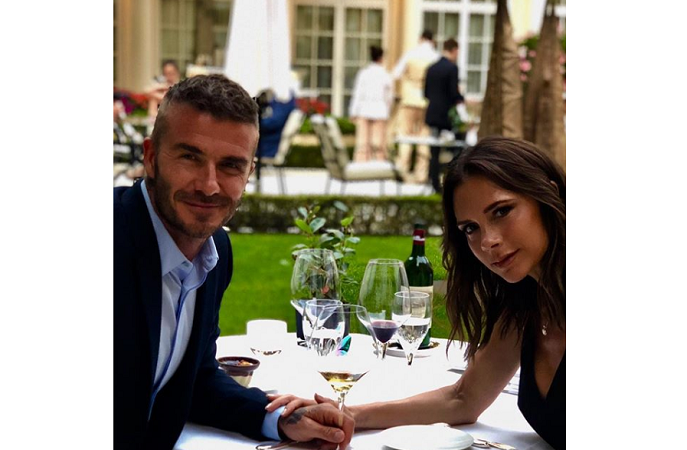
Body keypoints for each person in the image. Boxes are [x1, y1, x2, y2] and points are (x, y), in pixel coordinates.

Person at [267, 137, 566, 449]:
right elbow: (463, 398)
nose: (487, 241)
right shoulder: (527, 305)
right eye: (470, 228)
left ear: (549, 195)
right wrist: (347, 413)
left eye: (502, 211)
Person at [114, 74, 355, 449]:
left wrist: (278, 417)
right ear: (151, 157)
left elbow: (194, 379)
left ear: (249, 174)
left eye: (230, 165)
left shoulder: (214, 250)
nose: (209, 185)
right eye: (190, 157)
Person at [391, 30, 440, 182]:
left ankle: (403, 169)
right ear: (432, 40)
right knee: (424, 138)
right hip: (427, 101)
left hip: (409, 99)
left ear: (420, 38)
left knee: (405, 135)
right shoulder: (436, 57)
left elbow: (395, 74)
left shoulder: (411, 54)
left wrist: (408, 78)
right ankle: (421, 173)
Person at [424, 38, 465, 193]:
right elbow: (454, 94)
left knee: (434, 152)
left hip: (432, 113)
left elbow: (426, 92)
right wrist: (461, 100)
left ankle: (434, 183)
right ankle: (453, 181)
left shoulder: (431, 68)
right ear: (454, 50)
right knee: (458, 147)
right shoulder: (452, 68)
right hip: (446, 116)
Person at [349, 46, 393, 162]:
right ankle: (379, 164)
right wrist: (388, 110)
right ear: (382, 58)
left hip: (364, 109)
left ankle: (361, 164)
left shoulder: (364, 73)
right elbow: (389, 96)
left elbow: (358, 94)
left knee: (362, 143)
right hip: (380, 110)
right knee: (379, 143)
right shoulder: (385, 75)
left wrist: (353, 111)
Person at [146, 60, 182, 126]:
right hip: (160, 118)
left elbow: (171, 99)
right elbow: (147, 91)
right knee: (153, 101)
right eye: (166, 73)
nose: (169, 76)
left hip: (176, 118)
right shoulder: (162, 87)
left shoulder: (181, 86)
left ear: (177, 73)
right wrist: (163, 86)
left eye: (171, 73)